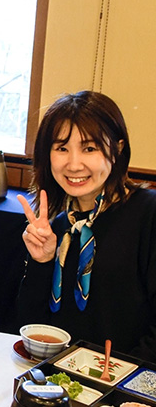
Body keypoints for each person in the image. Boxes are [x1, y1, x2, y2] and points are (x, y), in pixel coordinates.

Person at [16, 90, 156, 361]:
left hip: (127, 379)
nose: (74, 164)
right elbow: (30, 329)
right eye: (62, 148)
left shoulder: (148, 213)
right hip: (60, 377)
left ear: (117, 149)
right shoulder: (57, 226)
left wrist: (121, 377)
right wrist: (41, 263)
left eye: (89, 148)